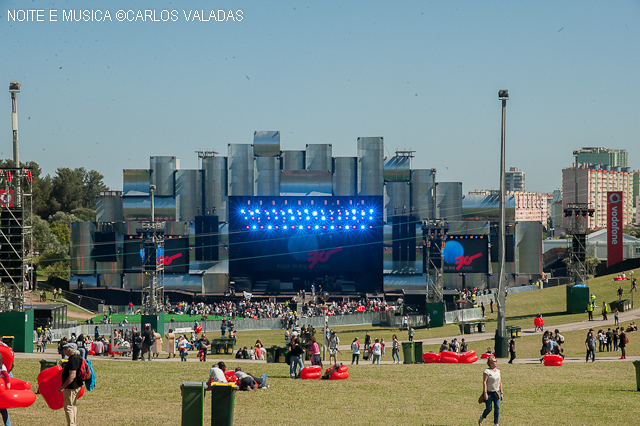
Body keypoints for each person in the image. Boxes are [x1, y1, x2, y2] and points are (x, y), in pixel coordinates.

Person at [57, 343, 84, 426]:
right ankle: (73, 423)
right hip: (77, 385)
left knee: (68, 406)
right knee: (73, 405)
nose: (64, 350)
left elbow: (72, 376)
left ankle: (71, 424)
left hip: (71, 387)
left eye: (65, 348)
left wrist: (63, 387)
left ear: (70, 349)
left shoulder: (73, 359)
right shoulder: (78, 358)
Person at [478, 355, 502, 426]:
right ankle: (482, 417)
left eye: (496, 361)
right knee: (489, 408)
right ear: (491, 363)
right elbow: (484, 382)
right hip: (489, 392)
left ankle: (496, 423)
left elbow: (500, 382)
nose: (496, 362)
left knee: (497, 408)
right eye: (495, 361)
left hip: (497, 392)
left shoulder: (498, 371)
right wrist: (485, 393)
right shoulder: (486, 371)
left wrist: (502, 392)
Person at [0, 353, 11, 426]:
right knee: (3, 410)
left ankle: (8, 424)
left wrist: (8, 385)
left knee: (3, 409)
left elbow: (7, 376)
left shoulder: (2, 367)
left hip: (1, 390)